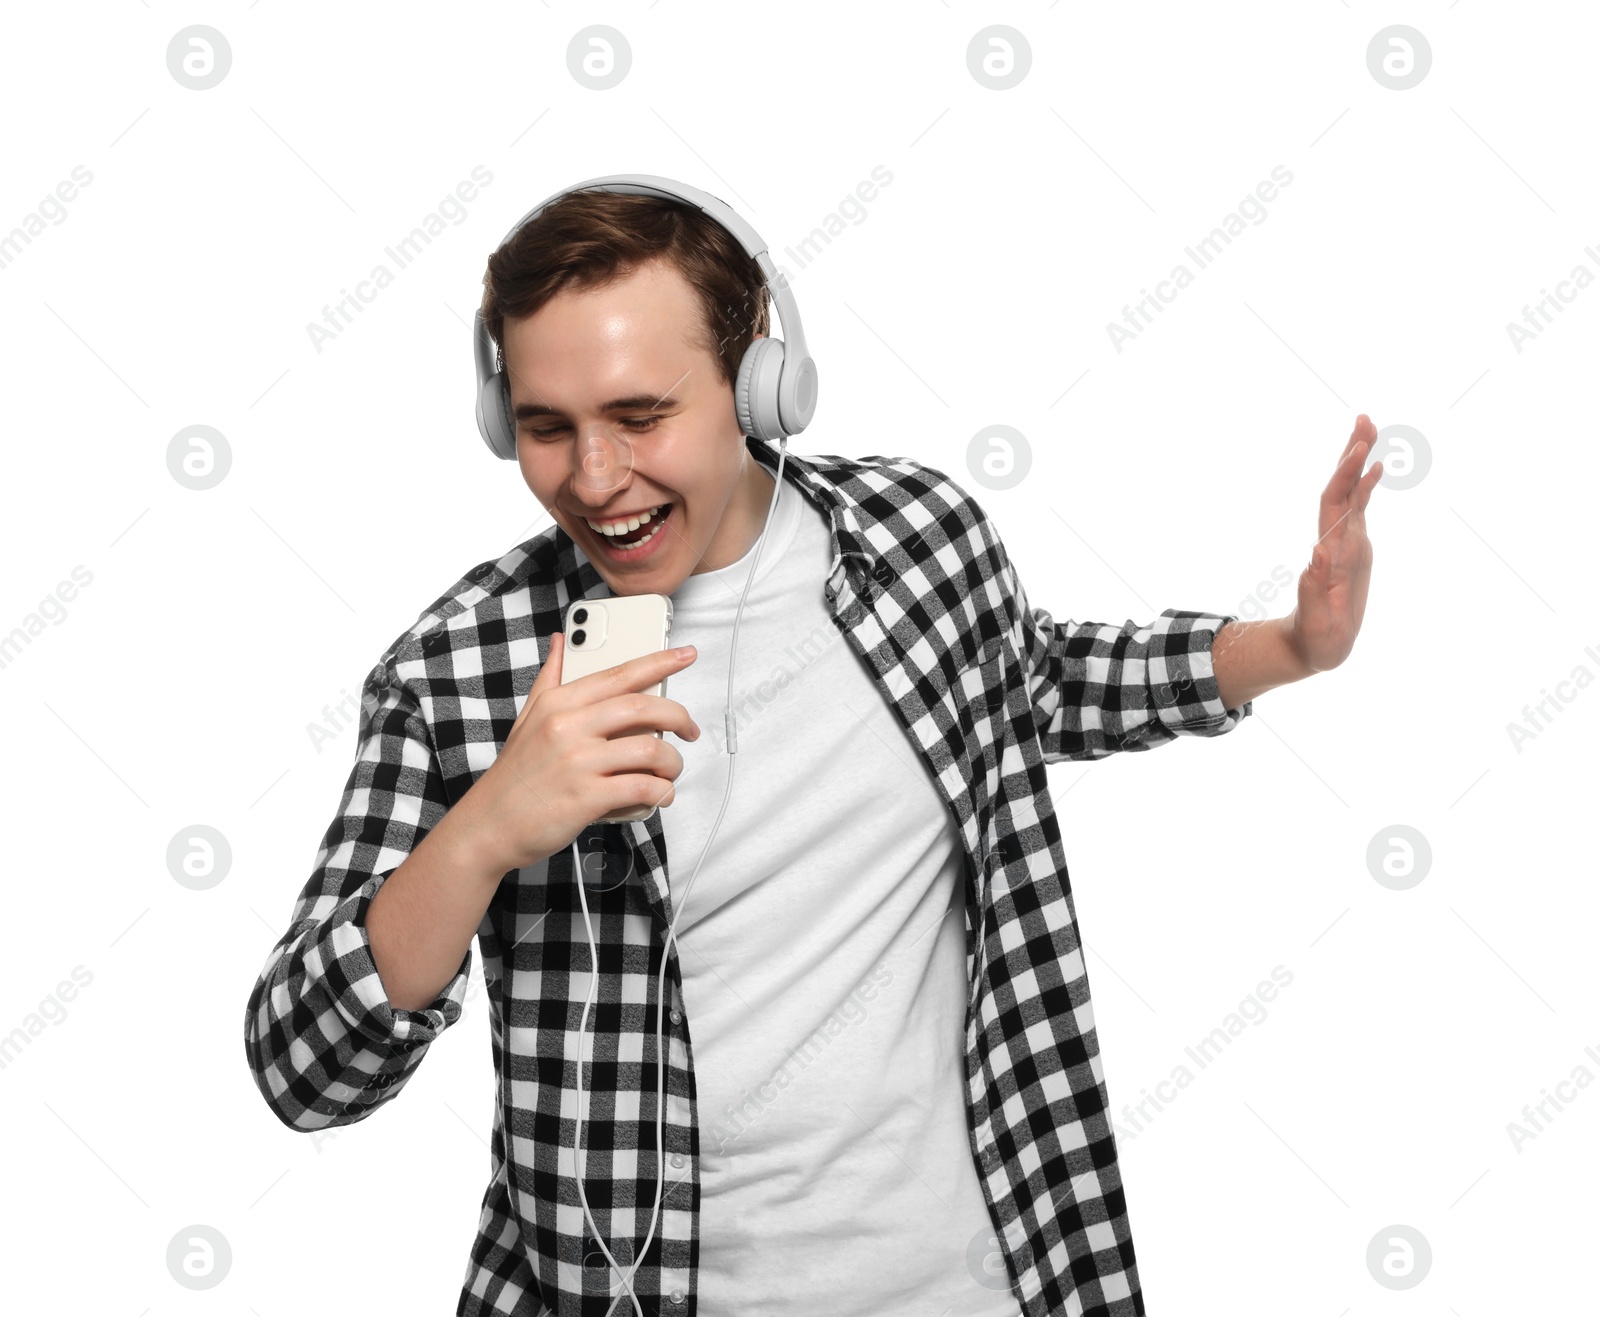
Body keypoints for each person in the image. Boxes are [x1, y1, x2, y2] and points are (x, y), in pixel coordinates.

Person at [242, 184, 1381, 1317]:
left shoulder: (915, 538)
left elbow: (1029, 681)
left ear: (760, 382)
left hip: (997, 1279)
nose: (592, 479)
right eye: (546, 427)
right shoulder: (460, 666)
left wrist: (1286, 645)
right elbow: (302, 1068)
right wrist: (487, 828)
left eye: (640, 416)